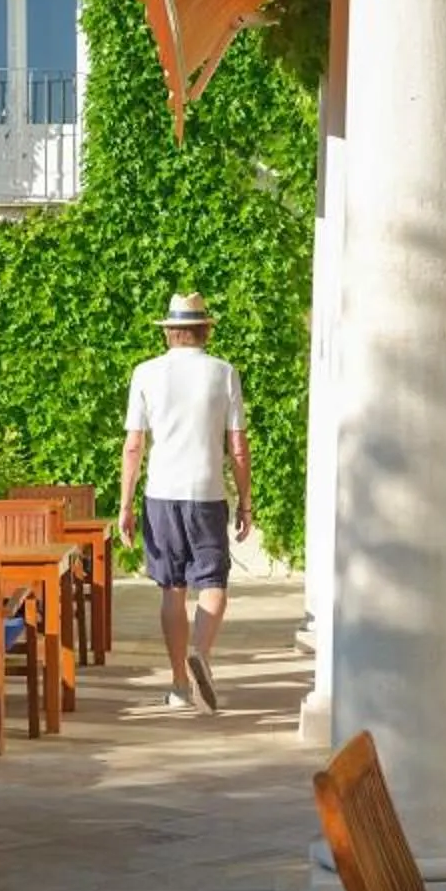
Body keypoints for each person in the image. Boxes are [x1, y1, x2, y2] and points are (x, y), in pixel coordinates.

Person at [117, 292, 250, 712]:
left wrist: (124, 504)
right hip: (207, 491)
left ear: (169, 333)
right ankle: (201, 653)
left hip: (161, 494)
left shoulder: (146, 373)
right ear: (205, 330)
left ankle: (179, 684)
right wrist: (245, 501)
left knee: (171, 589)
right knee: (213, 584)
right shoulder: (224, 373)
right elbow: (239, 447)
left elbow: (134, 445)